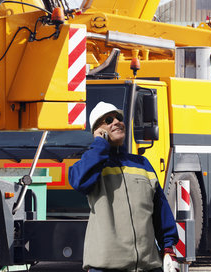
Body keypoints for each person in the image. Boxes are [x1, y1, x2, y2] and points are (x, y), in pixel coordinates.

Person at [69, 101, 180, 272]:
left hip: (148, 266)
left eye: (118, 118)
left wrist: (168, 248)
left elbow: (160, 208)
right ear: (98, 132)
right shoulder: (93, 165)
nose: (116, 122)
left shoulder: (142, 164)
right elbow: (78, 181)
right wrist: (100, 145)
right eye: (108, 120)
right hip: (106, 267)